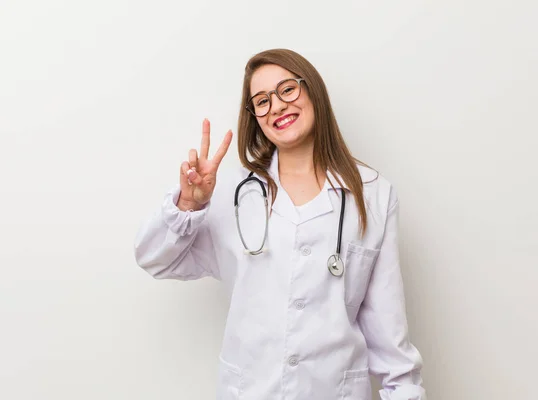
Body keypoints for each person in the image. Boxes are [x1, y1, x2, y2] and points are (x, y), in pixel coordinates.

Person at [134, 48, 425, 400]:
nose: (276, 106)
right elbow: (154, 258)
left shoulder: (374, 195)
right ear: (255, 116)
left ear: (313, 90)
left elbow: (390, 335)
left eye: (287, 90)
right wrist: (189, 204)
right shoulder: (231, 194)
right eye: (261, 100)